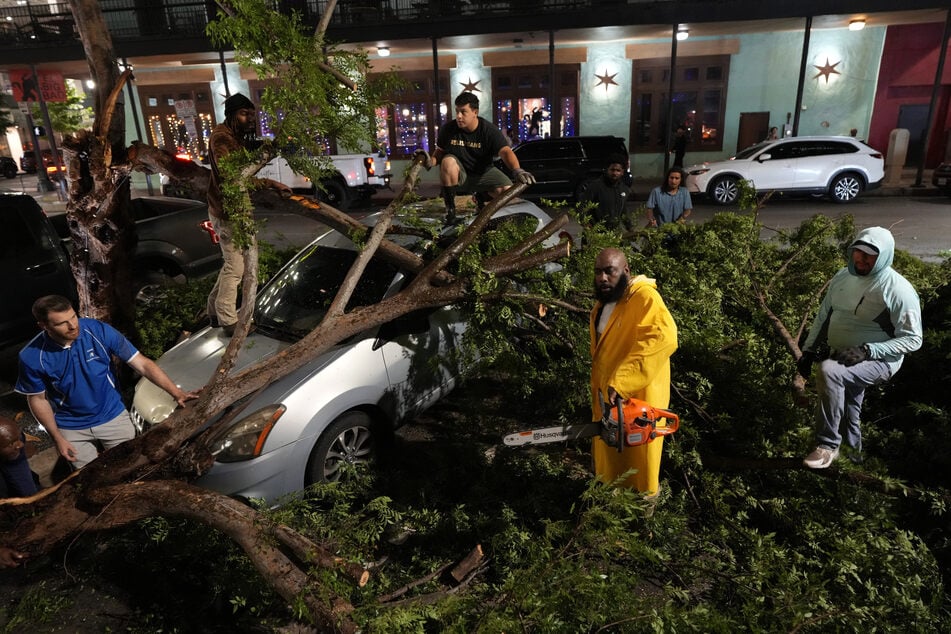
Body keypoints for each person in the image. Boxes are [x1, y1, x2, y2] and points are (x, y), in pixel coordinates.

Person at [15, 295, 200, 470]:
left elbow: (142, 364)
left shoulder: (97, 330)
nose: (72, 326)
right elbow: (38, 399)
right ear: (43, 325)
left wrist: (176, 392)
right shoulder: (31, 356)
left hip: (112, 415)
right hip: (70, 427)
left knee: (128, 467)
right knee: (89, 477)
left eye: (73, 317)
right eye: (62, 323)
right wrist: (57, 438)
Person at [798, 227, 922, 468]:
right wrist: (809, 349)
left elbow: (913, 339)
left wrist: (868, 350)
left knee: (829, 371)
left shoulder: (898, 290)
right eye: (858, 253)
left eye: (870, 256)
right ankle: (852, 463)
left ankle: (826, 446)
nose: (862, 260)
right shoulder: (842, 277)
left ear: (884, 257)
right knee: (847, 412)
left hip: (880, 361)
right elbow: (824, 314)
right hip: (845, 355)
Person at [590, 248, 678, 494]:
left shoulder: (644, 297)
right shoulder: (604, 304)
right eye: (598, 272)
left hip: (637, 402)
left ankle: (642, 521)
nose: (603, 278)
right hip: (609, 399)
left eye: (610, 271)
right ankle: (610, 512)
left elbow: (662, 337)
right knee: (611, 465)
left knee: (640, 471)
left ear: (626, 271)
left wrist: (622, 382)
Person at [206, 93, 291, 336]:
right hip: (227, 210)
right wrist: (269, 183)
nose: (249, 120)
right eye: (244, 114)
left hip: (230, 208)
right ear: (232, 114)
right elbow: (234, 177)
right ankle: (228, 321)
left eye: (252, 115)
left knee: (231, 264)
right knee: (236, 267)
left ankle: (213, 310)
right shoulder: (222, 138)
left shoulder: (233, 136)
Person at [416, 92, 535, 223]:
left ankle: (481, 198)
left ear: (475, 112)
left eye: (463, 112)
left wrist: (517, 170)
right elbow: (440, 152)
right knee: (448, 161)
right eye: (457, 112)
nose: (459, 116)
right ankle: (451, 212)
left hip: (483, 173)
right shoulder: (448, 129)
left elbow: (505, 151)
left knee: (508, 192)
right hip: (460, 175)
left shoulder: (488, 130)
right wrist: (429, 161)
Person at [578, 153, 633, 230]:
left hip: (613, 234)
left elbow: (623, 211)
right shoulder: (595, 186)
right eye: (612, 170)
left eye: (618, 170)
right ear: (607, 169)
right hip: (595, 233)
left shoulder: (624, 189)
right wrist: (586, 224)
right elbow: (582, 207)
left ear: (622, 172)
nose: (614, 173)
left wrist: (630, 228)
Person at [0, 415, 37, 498]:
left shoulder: (13, 435)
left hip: (8, 453)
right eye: (11, 444)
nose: (21, 445)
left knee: (29, 492)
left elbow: (21, 476)